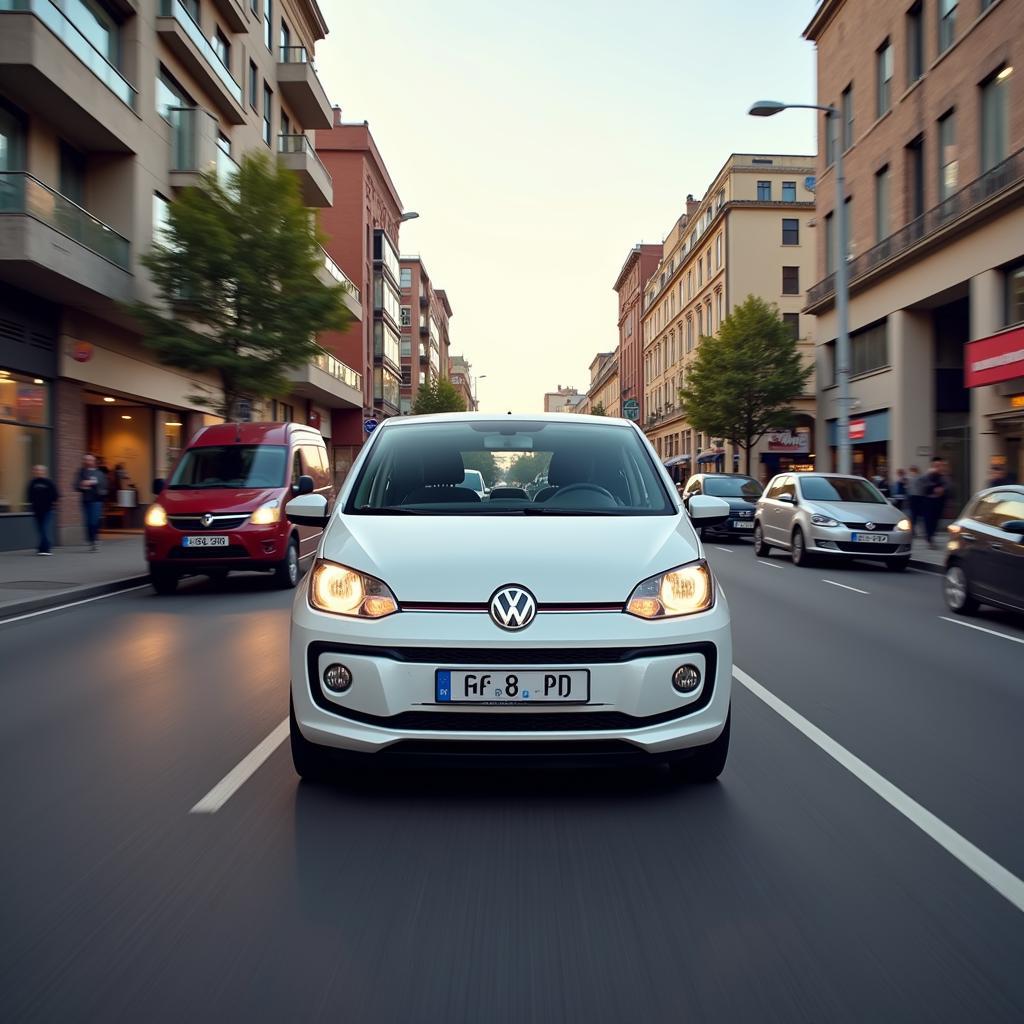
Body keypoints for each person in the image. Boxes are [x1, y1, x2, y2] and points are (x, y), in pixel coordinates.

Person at [74, 453, 108, 551]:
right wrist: (82, 485)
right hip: (86, 500)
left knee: (94, 521)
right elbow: (75, 485)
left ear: (94, 462)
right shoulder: (81, 472)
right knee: (88, 522)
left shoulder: (99, 473)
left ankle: (94, 539)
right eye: (86, 460)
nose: (88, 462)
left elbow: (105, 485)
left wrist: (95, 483)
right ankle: (92, 540)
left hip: (97, 500)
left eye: (90, 460)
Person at [26, 465, 59, 555]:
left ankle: (46, 549)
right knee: (40, 529)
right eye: (36, 470)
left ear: (44, 472)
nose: (38, 472)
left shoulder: (49, 482)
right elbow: (29, 495)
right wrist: (31, 503)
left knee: (44, 528)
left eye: (40, 470)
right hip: (36, 509)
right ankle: (41, 548)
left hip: (47, 509)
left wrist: (53, 504)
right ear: (34, 472)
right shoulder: (32, 483)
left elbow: (55, 495)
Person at [920, 458, 947, 549]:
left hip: (938, 503)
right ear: (932, 466)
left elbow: (947, 487)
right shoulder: (927, 476)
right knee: (929, 521)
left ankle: (930, 537)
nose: (938, 467)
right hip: (929, 502)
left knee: (935, 522)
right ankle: (929, 538)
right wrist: (934, 489)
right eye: (936, 466)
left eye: (940, 465)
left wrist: (943, 490)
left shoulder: (942, 476)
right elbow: (924, 487)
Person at [907, 466, 925, 537]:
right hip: (919, 497)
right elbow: (922, 487)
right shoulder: (920, 477)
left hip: (913, 497)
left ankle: (914, 531)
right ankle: (918, 531)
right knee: (918, 515)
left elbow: (908, 488)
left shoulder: (910, 478)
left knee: (913, 515)